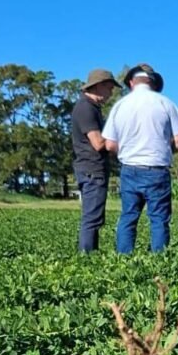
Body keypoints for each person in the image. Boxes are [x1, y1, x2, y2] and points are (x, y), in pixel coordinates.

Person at [102, 65, 178, 254]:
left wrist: (127, 151)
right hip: (157, 168)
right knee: (158, 218)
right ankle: (159, 259)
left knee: (129, 216)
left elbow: (109, 144)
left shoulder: (120, 106)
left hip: (129, 168)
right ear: (152, 81)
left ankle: (123, 257)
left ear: (132, 82)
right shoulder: (165, 103)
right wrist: (165, 150)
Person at [71, 69, 121, 252]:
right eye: (109, 88)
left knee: (94, 216)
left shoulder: (92, 108)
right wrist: (121, 145)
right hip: (92, 170)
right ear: (98, 86)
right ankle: (87, 256)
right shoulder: (85, 108)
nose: (111, 93)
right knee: (92, 218)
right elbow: (98, 143)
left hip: (92, 169)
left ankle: (90, 252)